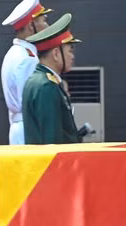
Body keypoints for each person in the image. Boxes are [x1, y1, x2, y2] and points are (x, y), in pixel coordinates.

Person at [0, 0, 52, 144]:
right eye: (43, 21)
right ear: (31, 25)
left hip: (21, 128)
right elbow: (32, 104)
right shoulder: (27, 58)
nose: (47, 26)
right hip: (29, 129)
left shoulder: (14, 53)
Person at [22, 13, 83, 144]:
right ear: (56, 54)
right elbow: (52, 141)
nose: (72, 57)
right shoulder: (46, 86)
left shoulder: (37, 80)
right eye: (70, 51)